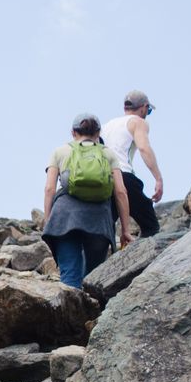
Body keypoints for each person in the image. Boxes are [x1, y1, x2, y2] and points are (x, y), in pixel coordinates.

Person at [42, 113, 130, 288]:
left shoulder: (60, 151)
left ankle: (70, 303)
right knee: (93, 278)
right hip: (99, 220)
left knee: (70, 276)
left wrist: (48, 221)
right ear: (98, 133)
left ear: (73, 132)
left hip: (65, 218)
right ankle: (90, 303)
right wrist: (125, 230)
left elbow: (49, 189)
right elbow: (121, 192)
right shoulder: (107, 153)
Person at [100, 90, 164, 239]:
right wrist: (158, 178)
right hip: (123, 176)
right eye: (148, 110)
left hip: (103, 178)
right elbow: (144, 148)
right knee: (150, 225)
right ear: (144, 107)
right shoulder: (138, 122)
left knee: (106, 225)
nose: (147, 113)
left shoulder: (106, 126)